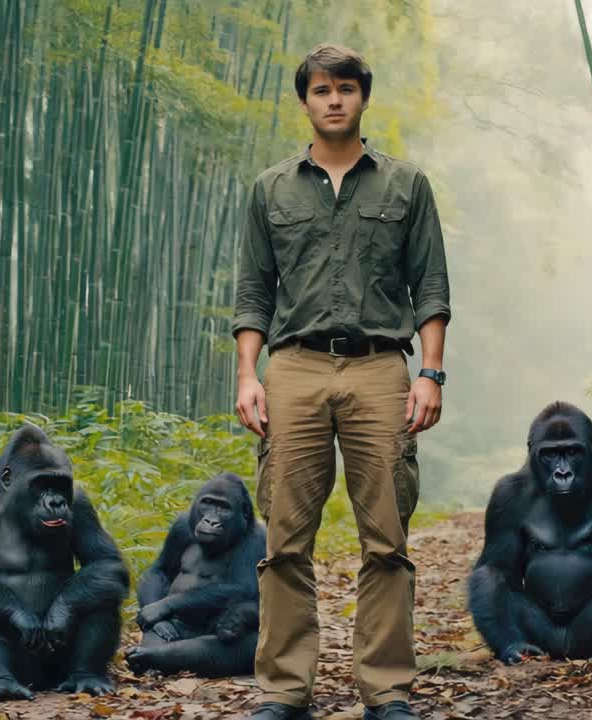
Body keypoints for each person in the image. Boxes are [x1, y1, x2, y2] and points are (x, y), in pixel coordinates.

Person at [231, 43, 451, 720]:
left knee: (386, 536)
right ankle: (283, 689)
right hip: (292, 366)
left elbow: (431, 287)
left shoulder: (405, 185)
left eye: (346, 88)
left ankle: (386, 688)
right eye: (322, 89)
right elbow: (252, 294)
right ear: (306, 101)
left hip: (382, 366)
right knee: (284, 537)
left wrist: (431, 373)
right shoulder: (270, 188)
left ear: (362, 97)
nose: (334, 99)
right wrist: (248, 375)